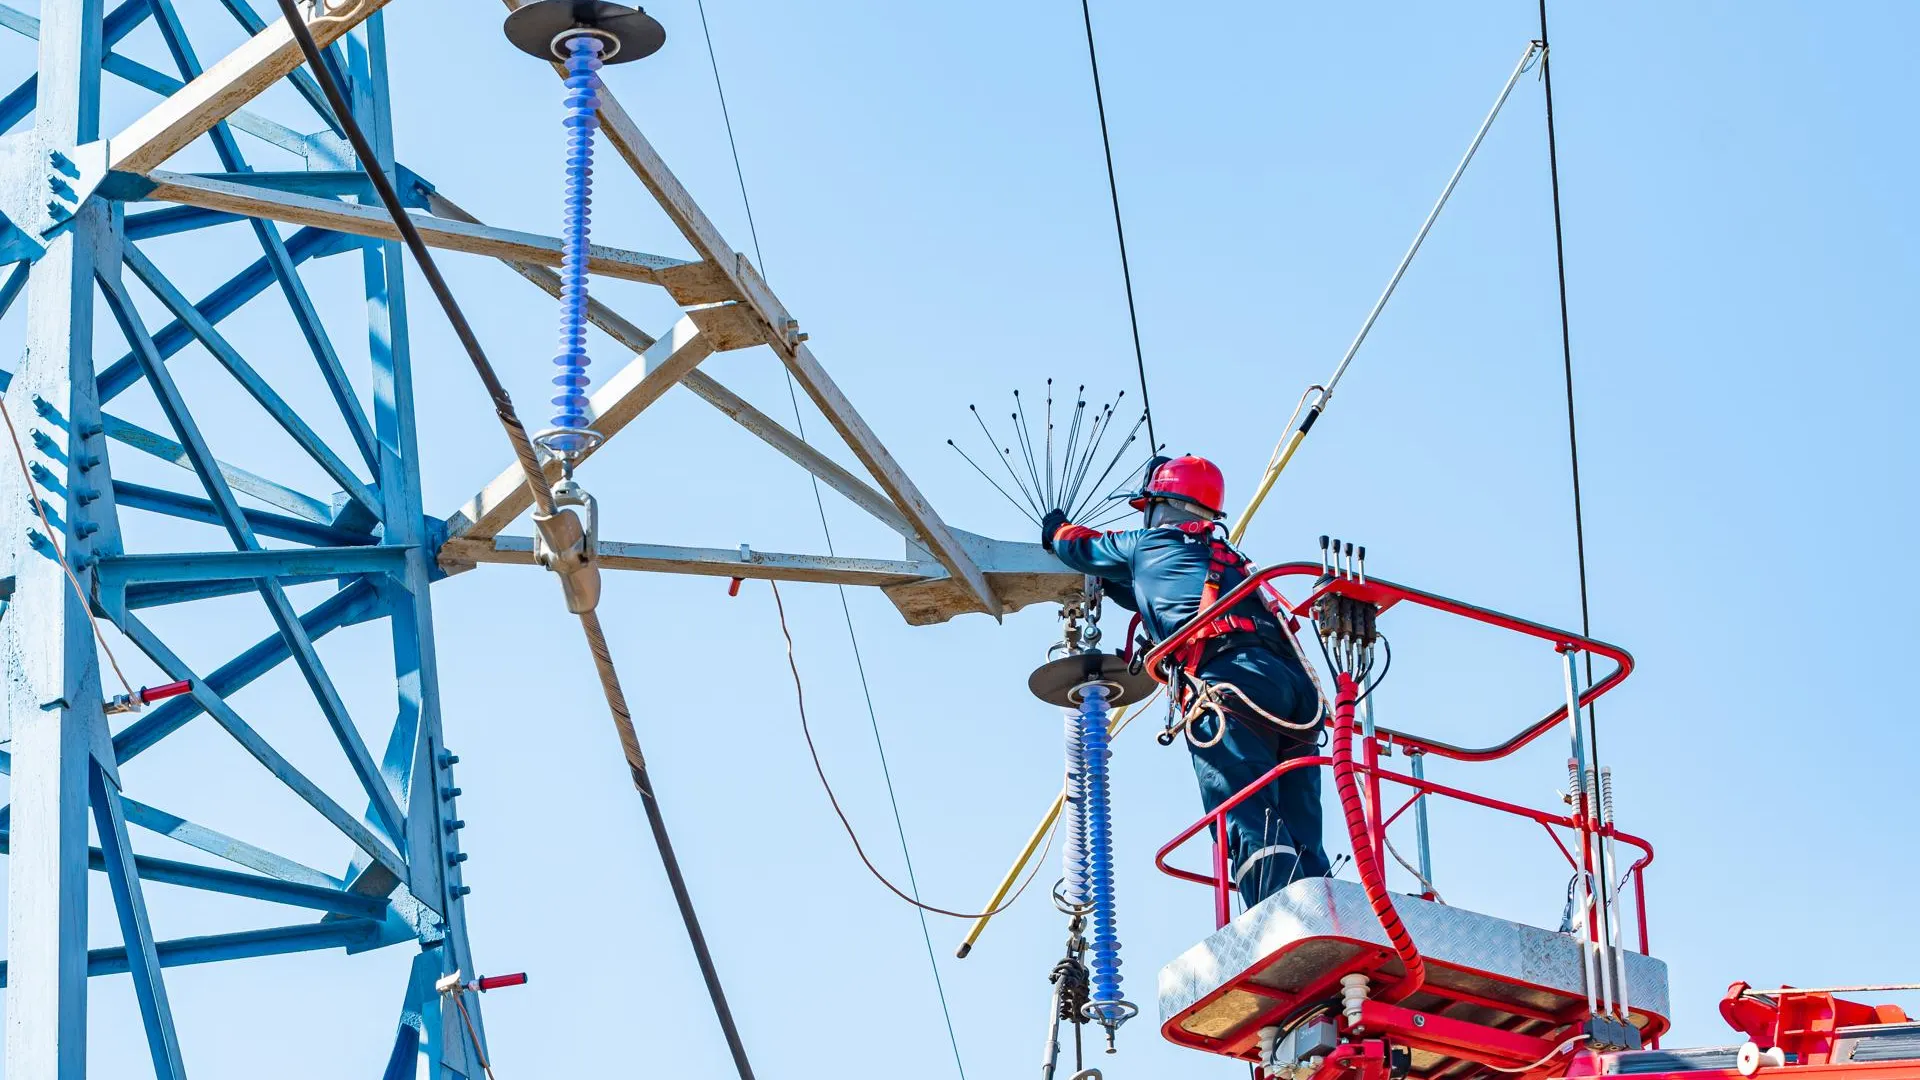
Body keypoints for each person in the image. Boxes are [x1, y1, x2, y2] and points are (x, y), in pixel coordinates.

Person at [1041, 455, 1329, 907]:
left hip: (1232, 686)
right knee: (1300, 817)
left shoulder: (1146, 545)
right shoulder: (1229, 560)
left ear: (1161, 506)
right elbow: (1142, 591)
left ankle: (1277, 918)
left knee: (1247, 812)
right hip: (1294, 693)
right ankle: (1322, 908)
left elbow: (1080, 547)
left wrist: (1055, 528)